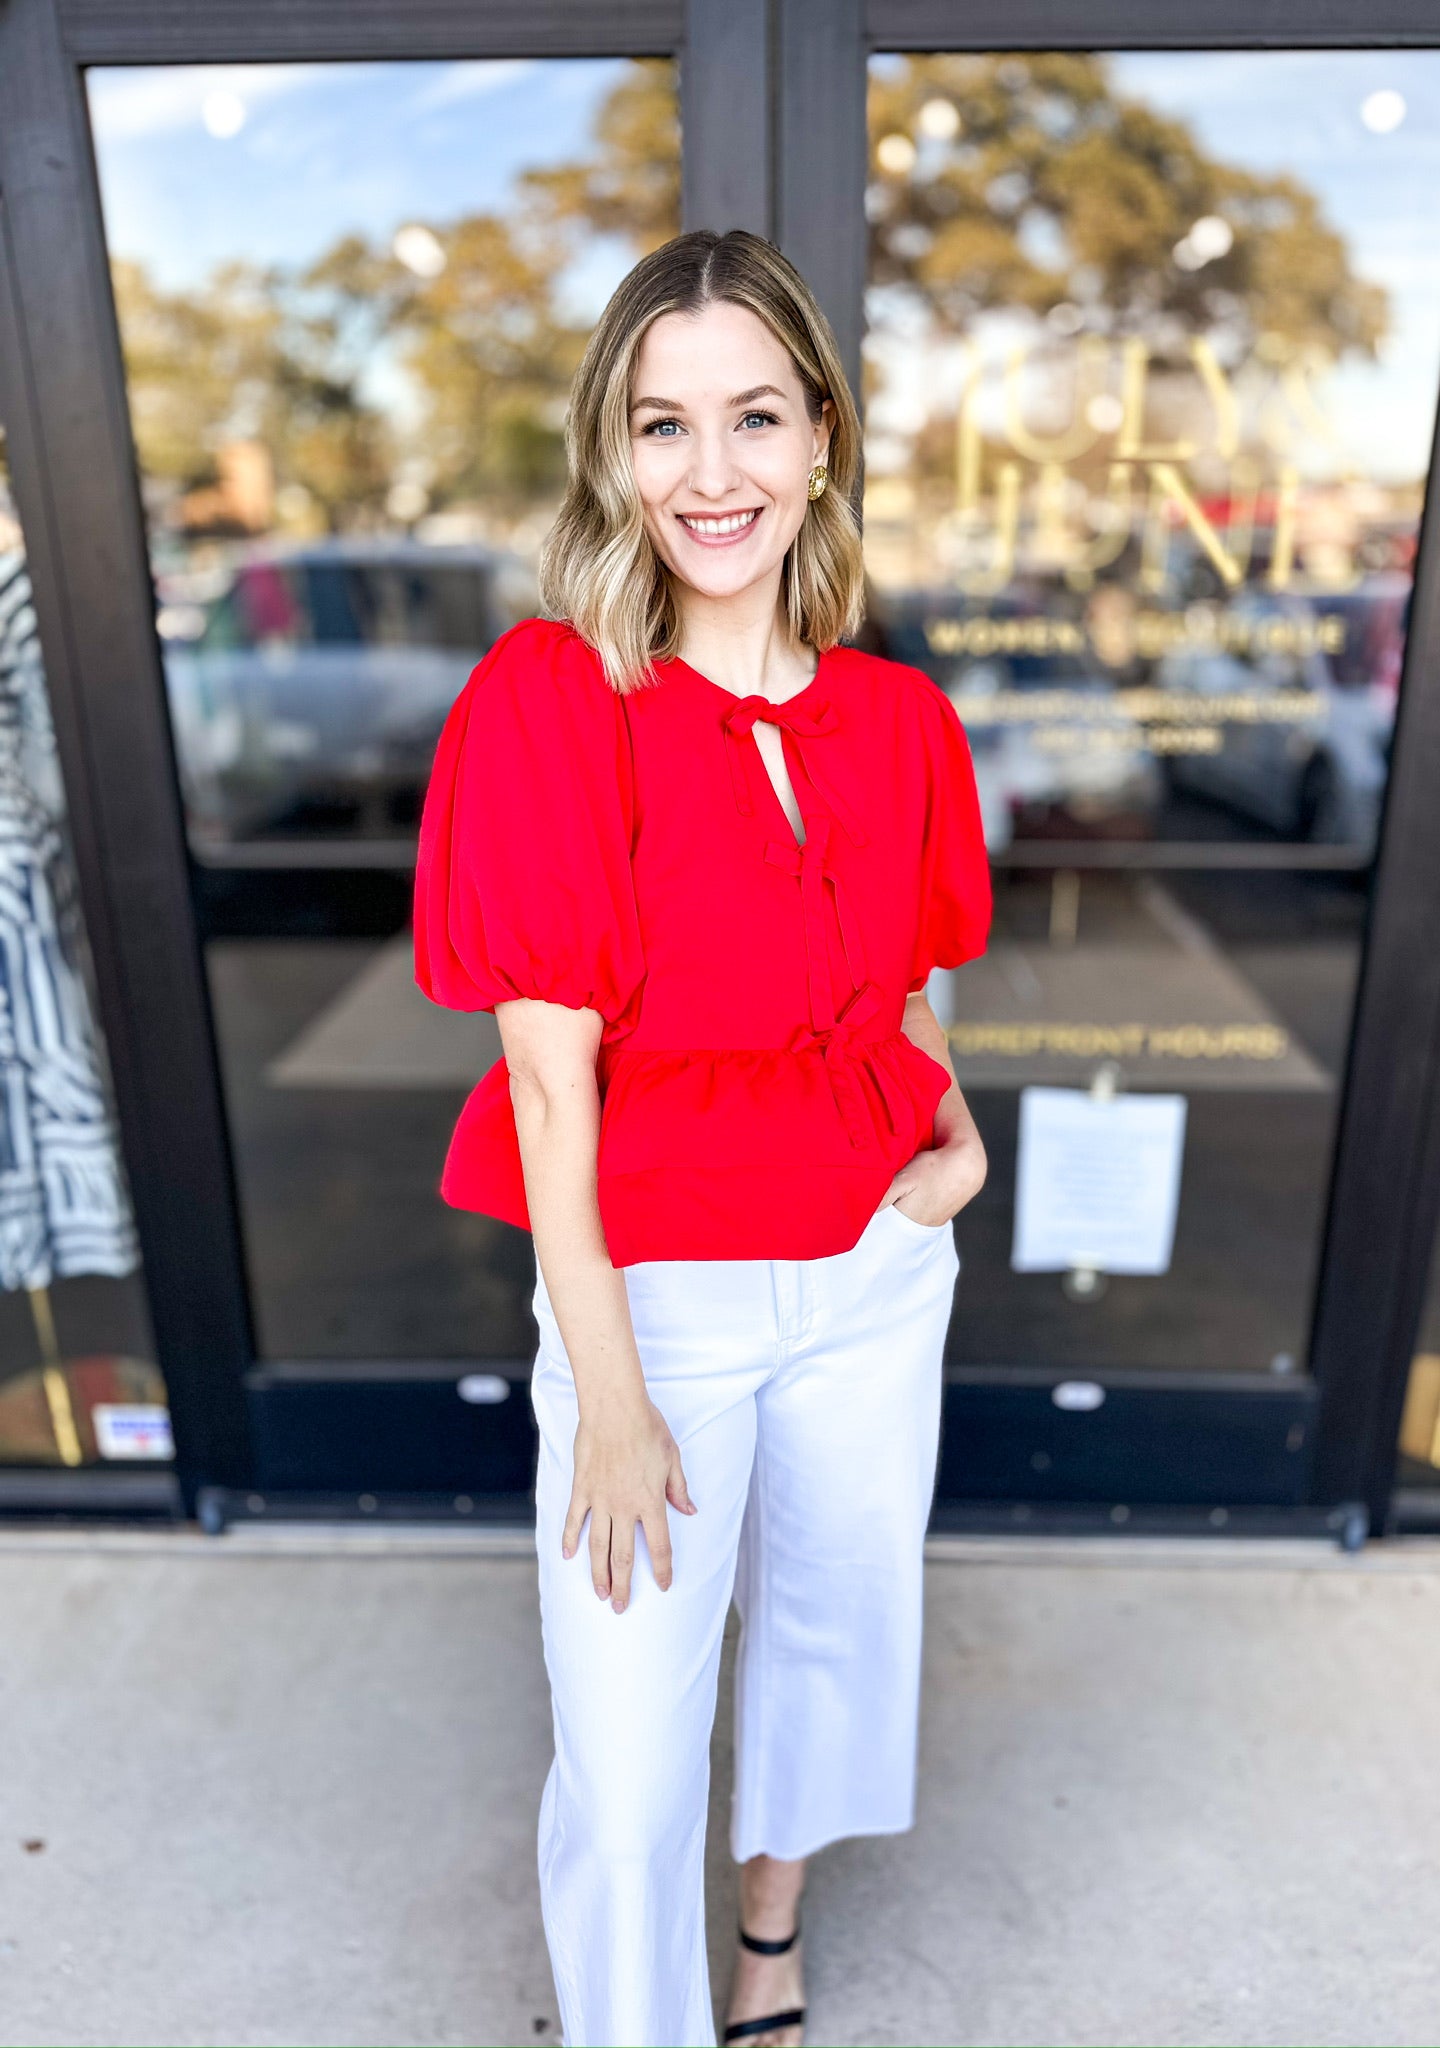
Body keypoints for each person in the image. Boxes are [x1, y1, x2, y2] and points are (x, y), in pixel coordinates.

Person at [414, 227, 992, 2048]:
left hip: (873, 1275)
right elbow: (549, 1082)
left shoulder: (899, 721)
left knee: (836, 1640)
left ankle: (769, 1942)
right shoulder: (551, 700)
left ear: (821, 435)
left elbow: (903, 996)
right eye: (665, 427)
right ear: (616, 450)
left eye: (753, 419)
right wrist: (609, 1394)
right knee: (633, 1751)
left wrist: (954, 1148)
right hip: (651, 1305)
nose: (711, 474)